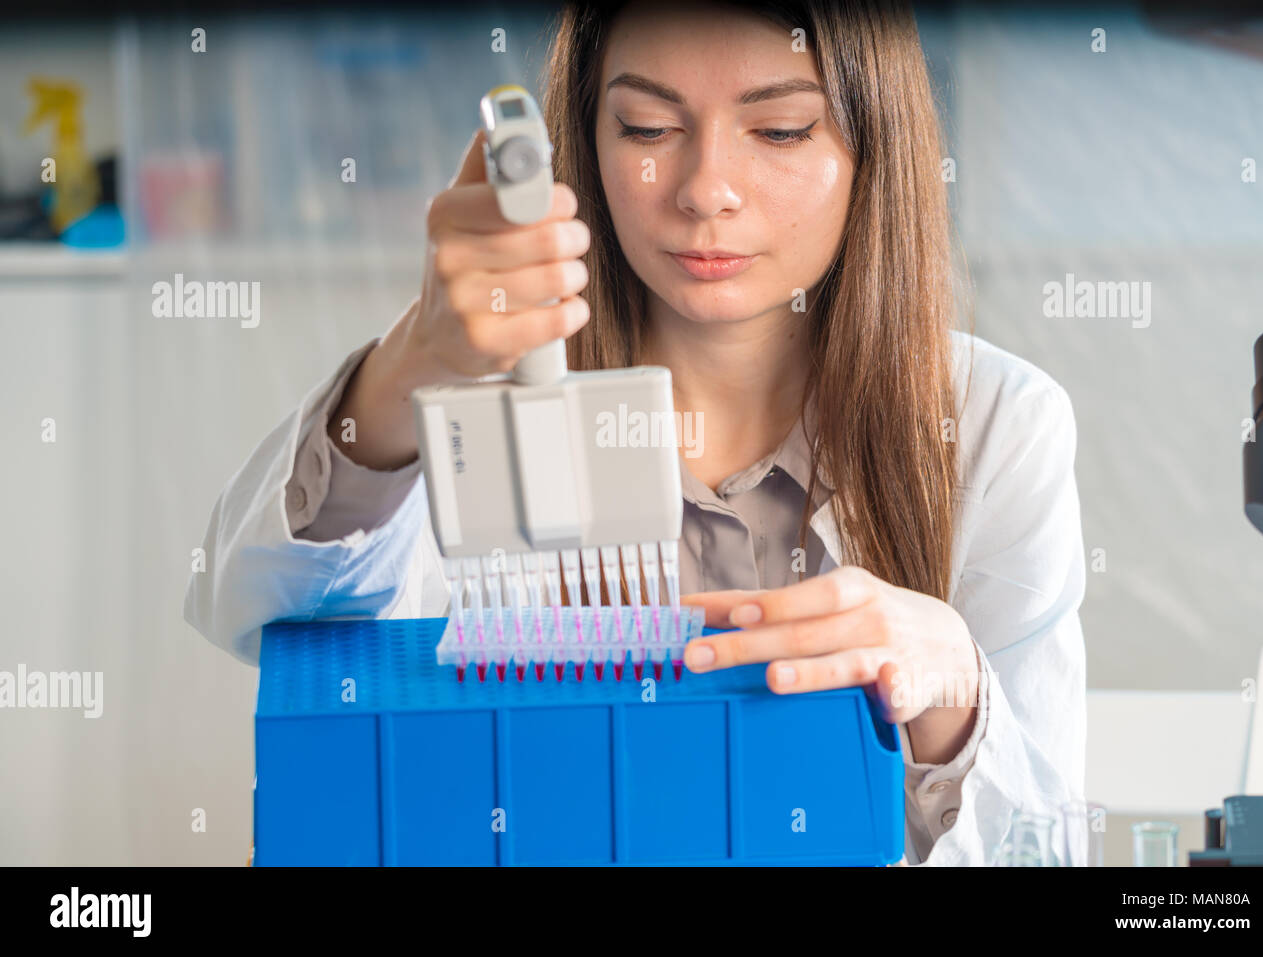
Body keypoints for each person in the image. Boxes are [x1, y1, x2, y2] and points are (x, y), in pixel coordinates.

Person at [185, 0, 1086, 866]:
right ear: (587, 139)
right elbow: (248, 611)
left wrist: (957, 691)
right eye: (648, 128)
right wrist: (413, 364)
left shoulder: (995, 427)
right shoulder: (474, 403)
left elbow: (1050, 849)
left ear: (874, 145)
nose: (704, 191)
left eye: (779, 131)